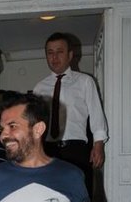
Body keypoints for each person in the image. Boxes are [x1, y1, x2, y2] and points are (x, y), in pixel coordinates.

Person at [33, 32, 108, 190]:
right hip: (48, 149)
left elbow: (96, 113)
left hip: (76, 149)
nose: (54, 57)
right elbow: (35, 122)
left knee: (78, 193)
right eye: (50, 53)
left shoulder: (84, 82)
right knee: (51, 194)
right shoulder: (40, 87)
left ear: (70, 55)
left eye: (60, 52)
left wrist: (98, 145)